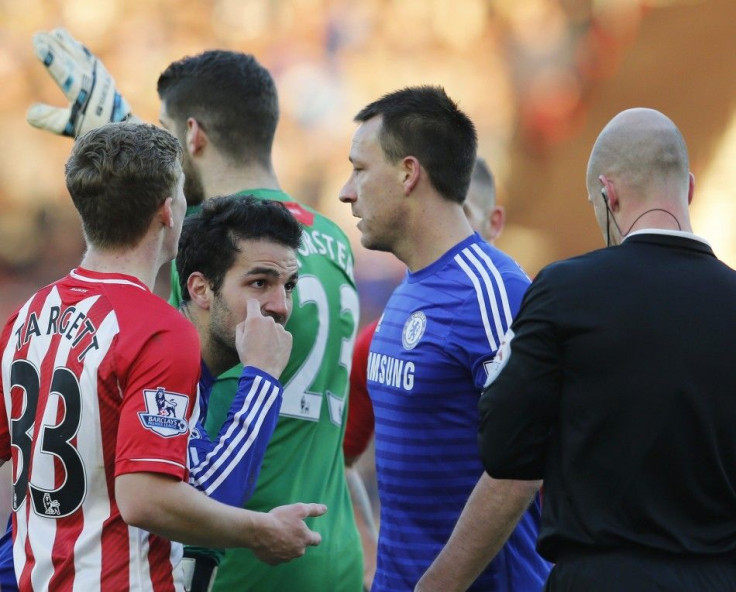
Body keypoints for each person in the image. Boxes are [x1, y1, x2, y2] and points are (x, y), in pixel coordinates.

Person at [26, 28, 364, 591]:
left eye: (163, 130)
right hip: (333, 552)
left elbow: (144, 355)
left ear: (192, 134)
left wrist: (118, 143)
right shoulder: (330, 238)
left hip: (238, 558)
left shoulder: (209, 255)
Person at [0, 123, 325, 591]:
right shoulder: (157, 329)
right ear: (169, 212)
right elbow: (148, 499)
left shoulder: (26, 316)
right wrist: (262, 530)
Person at [472, 107, 736, 591]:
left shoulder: (564, 290)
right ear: (690, 188)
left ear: (607, 192)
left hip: (599, 575)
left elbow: (502, 447)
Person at [339, 86, 550, 592]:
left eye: (360, 169)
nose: (347, 190)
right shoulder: (409, 291)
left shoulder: (492, 291)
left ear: (409, 173)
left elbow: (523, 465)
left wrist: (437, 585)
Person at [343, 156, 509, 589]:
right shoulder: (383, 332)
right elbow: (333, 458)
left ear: (494, 222)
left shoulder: (512, 310)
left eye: (464, 214)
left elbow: (523, 469)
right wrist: (369, 551)